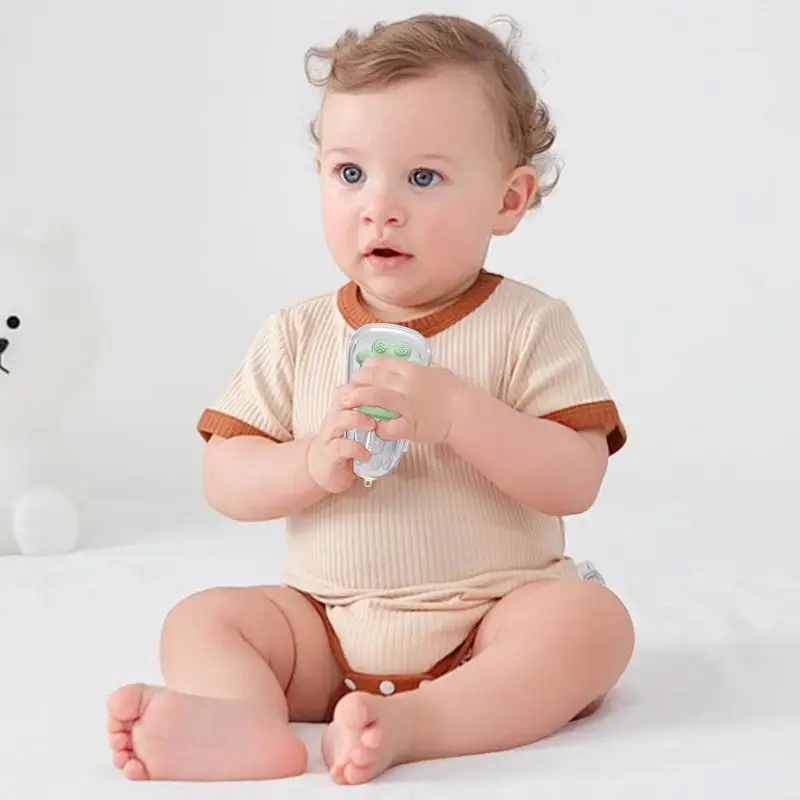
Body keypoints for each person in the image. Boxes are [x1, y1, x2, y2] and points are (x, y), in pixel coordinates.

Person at [107, 12, 635, 785]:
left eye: (422, 178)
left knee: (590, 624)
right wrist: (310, 463)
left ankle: (422, 724)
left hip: (491, 618)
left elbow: (576, 478)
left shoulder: (529, 324)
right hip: (324, 631)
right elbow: (225, 476)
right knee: (202, 620)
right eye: (350, 173)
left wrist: (459, 415)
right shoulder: (297, 333)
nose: (378, 207)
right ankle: (243, 721)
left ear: (508, 200)